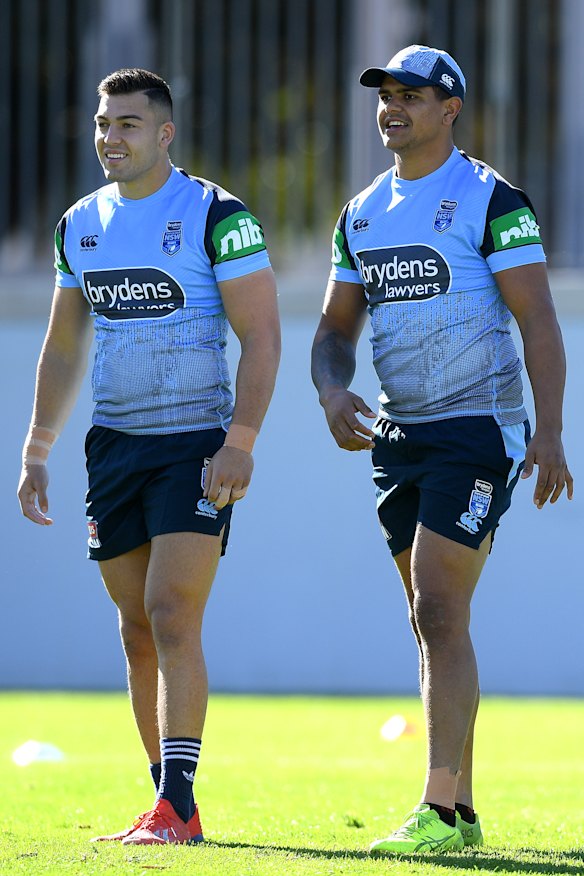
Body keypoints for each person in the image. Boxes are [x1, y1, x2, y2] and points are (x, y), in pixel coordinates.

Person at [311, 45, 572, 855]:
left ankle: (436, 807)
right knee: (432, 622)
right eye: (385, 95)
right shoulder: (360, 213)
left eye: (412, 95)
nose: (392, 107)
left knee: (437, 607)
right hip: (399, 436)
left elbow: (538, 320)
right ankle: (461, 811)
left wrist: (550, 430)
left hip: (478, 428)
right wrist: (331, 390)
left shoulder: (491, 199)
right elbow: (334, 329)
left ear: (450, 108)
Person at [17, 68, 281, 846]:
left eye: (128, 124)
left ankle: (176, 805)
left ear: (165, 133)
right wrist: (37, 447)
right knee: (135, 628)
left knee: (171, 611)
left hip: (194, 444)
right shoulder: (79, 224)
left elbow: (262, 336)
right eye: (103, 123)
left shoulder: (216, 215)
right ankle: (171, 807)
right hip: (114, 448)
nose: (111, 137)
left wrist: (240, 441)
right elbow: (64, 345)